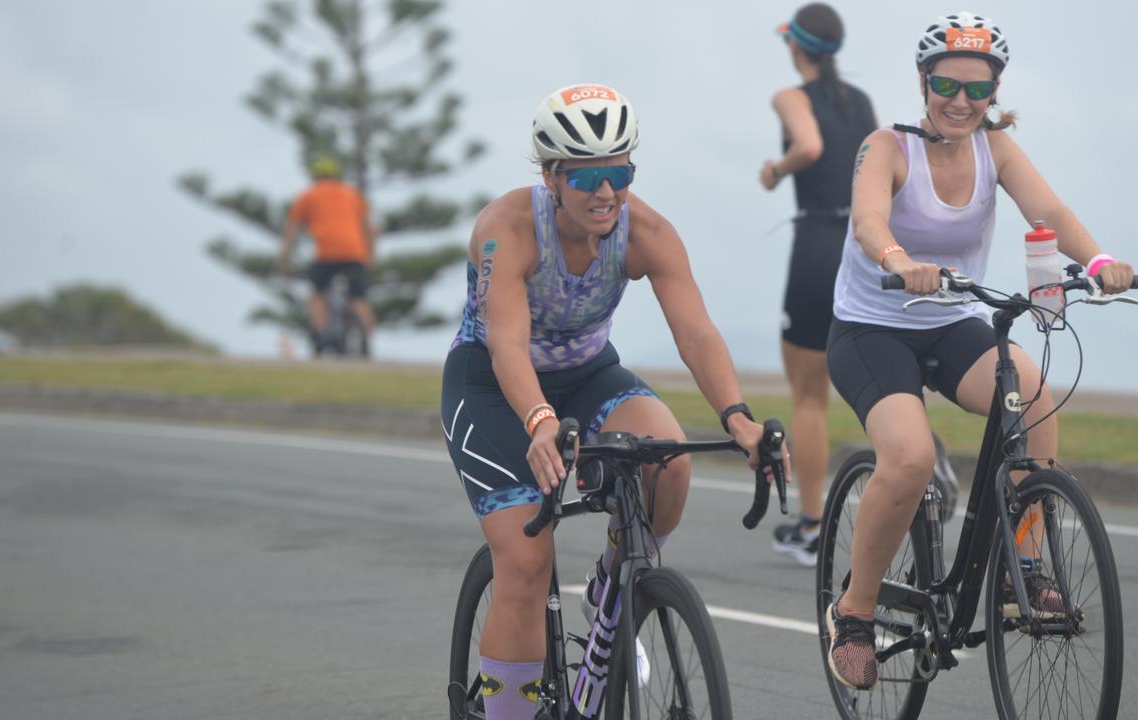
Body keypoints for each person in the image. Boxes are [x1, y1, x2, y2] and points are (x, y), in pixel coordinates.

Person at [440, 83, 788, 720]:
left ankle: (613, 583)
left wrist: (737, 417)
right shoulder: (506, 229)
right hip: (492, 387)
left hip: (589, 375)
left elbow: (696, 331)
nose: (607, 192)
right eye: (590, 176)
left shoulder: (645, 231)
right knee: (524, 559)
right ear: (551, 176)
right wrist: (540, 421)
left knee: (669, 461)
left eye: (621, 172)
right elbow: (508, 347)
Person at [821, 12, 1135, 691]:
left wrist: (1101, 259)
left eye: (977, 89)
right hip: (872, 327)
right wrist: (899, 258)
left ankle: (1019, 567)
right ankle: (853, 610)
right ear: (922, 82)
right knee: (906, 458)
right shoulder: (887, 147)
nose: (960, 102)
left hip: (953, 320)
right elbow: (868, 216)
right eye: (945, 85)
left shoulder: (996, 149)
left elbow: (1047, 210)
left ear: (994, 91)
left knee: (1033, 403)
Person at [760, 3, 877, 566]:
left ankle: (811, 526)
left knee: (808, 398)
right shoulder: (862, 103)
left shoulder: (791, 97)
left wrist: (775, 170)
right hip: (864, 243)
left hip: (816, 246)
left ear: (795, 46)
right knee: (877, 375)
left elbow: (808, 147)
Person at [277, 154, 377, 356]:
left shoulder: (308, 195)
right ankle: (367, 339)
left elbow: (292, 230)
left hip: (326, 254)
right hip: (355, 254)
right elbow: (371, 228)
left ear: (315, 177)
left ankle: (322, 337)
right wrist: (370, 256)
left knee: (317, 294)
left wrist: (284, 258)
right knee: (358, 299)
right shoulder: (352, 194)